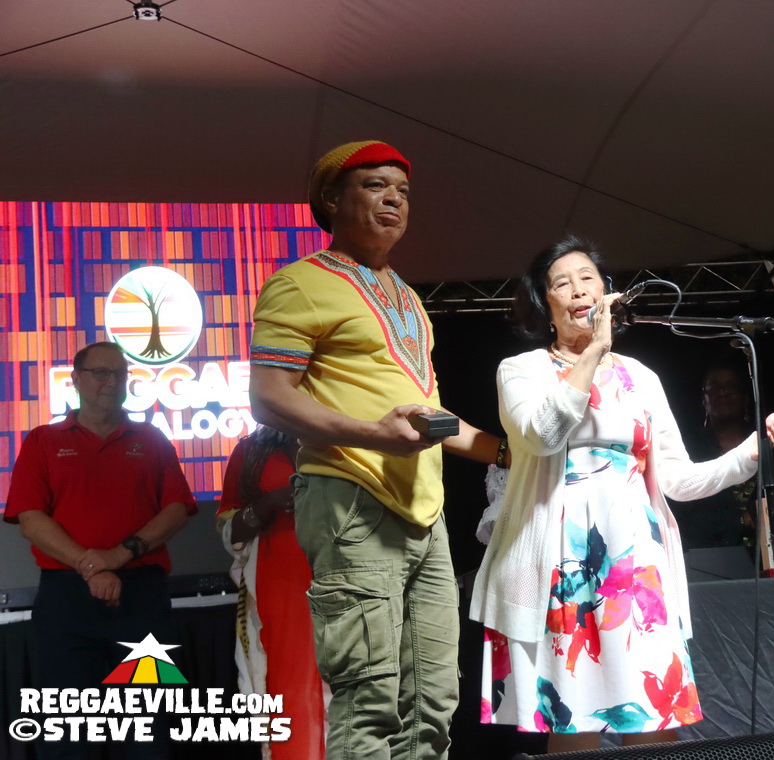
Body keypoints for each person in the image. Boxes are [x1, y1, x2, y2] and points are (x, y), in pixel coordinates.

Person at [469, 236, 774, 753]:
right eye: (561, 283)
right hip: (559, 564)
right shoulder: (521, 370)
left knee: (654, 719)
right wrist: (592, 352)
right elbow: (539, 435)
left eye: (587, 278)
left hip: (636, 565)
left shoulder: (641, 377)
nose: (577, 290)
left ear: (608, 293)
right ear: (546, 304)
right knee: (572, 722)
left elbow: (679, 479)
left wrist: (747, 456)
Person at [248, 140, 506, 760]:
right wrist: (372, 435)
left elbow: (431, 417)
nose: (394, 198)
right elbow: (267, 398)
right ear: (331, 200)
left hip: (425, 511)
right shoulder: (299, 284)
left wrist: (507, 455)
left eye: (403, 191)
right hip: (351, 500)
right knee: (369, 701)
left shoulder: (409, 299)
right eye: (374, 186)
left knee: (436, 702)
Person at [4, 340, 196, 760]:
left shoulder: (153, 439)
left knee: (147, 735)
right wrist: (90, 566)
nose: (112, 382)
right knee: (70, 737)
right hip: (66, 601)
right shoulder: (42, 441)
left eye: (120, 373)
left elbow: (178, 509)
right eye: (100, 373)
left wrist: (117, 556)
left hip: (141, 600)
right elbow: (31, 518)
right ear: (75, 380)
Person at [218, 425, 328, 759]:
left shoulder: (344, 437)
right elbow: (228, 529)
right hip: (276, 584)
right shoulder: (253, 451)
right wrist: (268, 504)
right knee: (285, 688)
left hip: (344, 574)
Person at [673, 361, 758, 549]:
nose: (722, 392)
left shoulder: (763, 444)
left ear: (745, 398)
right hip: (704, 558)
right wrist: (738, 520)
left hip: (763, 559)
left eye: (731, 387)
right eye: (713, 388)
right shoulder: (686, 448)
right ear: (704, 400)